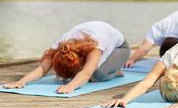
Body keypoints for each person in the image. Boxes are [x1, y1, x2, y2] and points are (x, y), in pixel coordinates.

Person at [2, 21, 130, 94]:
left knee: (97, 74)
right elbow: (43, 68)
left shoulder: (95, 46)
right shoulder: (60, 45)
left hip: (120, 48)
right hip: (92, 45)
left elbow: (85, 73)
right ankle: (109, 67)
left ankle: (115, 71)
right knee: (90, 72)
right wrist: (21, 81)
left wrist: (71, 86)